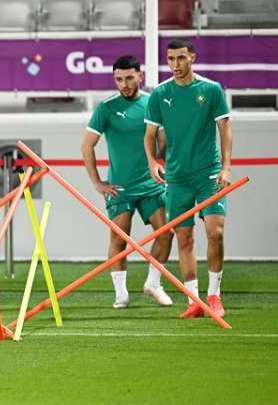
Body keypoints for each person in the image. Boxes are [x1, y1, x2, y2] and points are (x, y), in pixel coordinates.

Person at [144, 38, 232, 319]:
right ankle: (193, 300)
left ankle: (214, 296)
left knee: (216, 233)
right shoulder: (160, 94)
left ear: (192, 57)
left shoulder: (211, 89)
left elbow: (225, 129)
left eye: (181, 58)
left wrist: (226, 167)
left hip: (209, 174)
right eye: (170, 59)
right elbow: (149, 135)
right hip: (177, 178)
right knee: (184, 238)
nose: (175, 64)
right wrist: (152, 162)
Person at [81, 56, 174, 309]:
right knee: (119, 239)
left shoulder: (153, 104)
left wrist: (163, 163)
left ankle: (153, 283)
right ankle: (121, 293)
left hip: (151, 184)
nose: (124, 84)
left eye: (129, 78)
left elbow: (164, 143)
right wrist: (97, 183)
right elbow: (87, 146)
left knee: (166, 233)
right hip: (119, 188)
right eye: (119, 79)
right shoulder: (106, 108)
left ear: (140, 76)